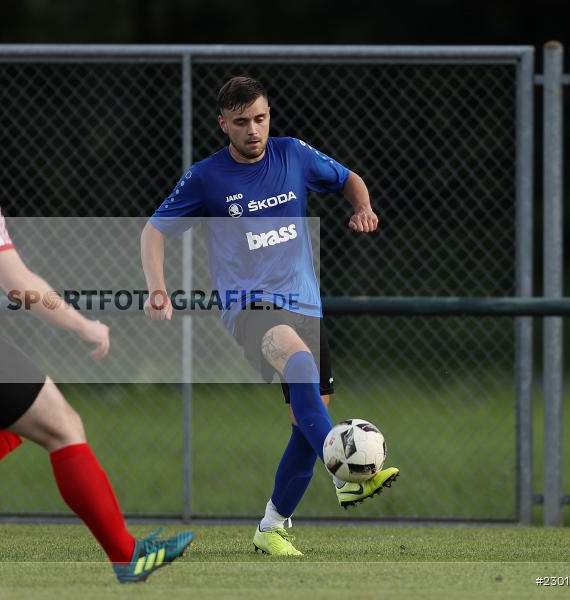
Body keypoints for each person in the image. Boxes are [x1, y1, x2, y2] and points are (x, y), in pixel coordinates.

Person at [0, 84, 193, 581]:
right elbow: (19, 286)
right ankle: (127, 556)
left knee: (7, 426)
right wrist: (84, 326)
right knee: (64, 428)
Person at [140, 76, 398, 556]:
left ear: (269, 115)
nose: (253, 130)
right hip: (249, 306)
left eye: (260, 118)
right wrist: (158, 288)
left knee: (307, 419)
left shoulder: (293, 154)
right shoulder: (206, 177)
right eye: (241, 123)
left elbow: (349, 181)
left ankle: (272, 527)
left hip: (305, 304)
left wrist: (362, 208)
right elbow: (154, 231)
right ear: (224, 125)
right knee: (297, 361)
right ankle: (341, 467)